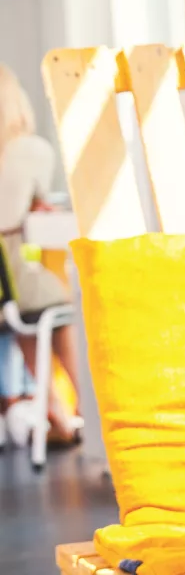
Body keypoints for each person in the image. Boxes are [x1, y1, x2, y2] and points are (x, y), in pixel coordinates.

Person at [0, 63, 82, 443]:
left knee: (25, 322)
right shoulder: (33, 150)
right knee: (59, 308)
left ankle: (58, 414)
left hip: (7, 285)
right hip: (17, 274)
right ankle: (82, 408)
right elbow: (30, 207)